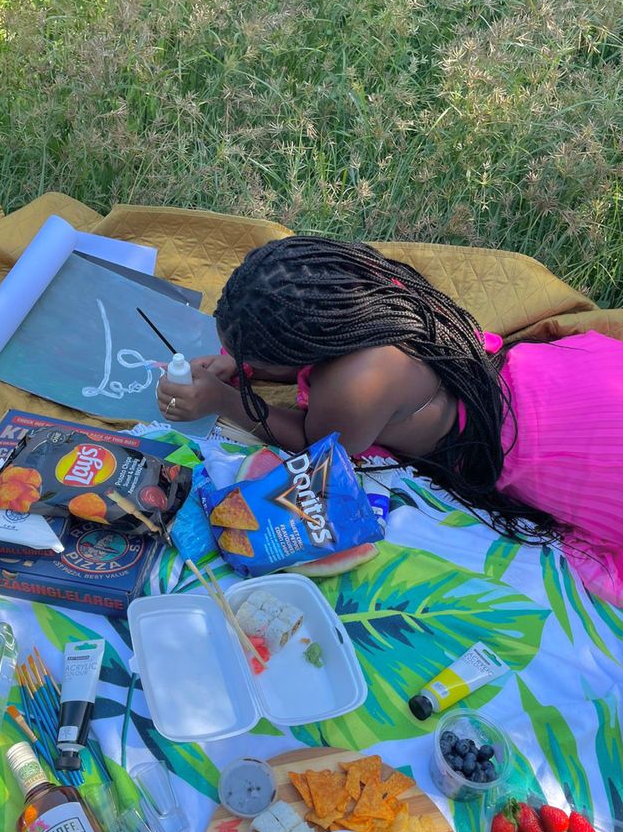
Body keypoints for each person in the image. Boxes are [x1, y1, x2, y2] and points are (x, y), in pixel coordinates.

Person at [156, 237, 623, 605]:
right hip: (565, 381)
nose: (237, 360)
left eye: (253, 354)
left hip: (571, 452)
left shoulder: (357, 381)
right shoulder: (359, 290)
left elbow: (313, 445)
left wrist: (225, 399)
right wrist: (245, 365)